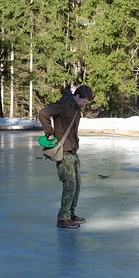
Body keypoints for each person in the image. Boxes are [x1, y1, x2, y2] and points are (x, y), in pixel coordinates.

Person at [37, 85, 94, 229]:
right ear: (77, 96)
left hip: (73, 151)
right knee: (70, 185)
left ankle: (71, 214)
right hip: (63, 152)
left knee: (77, 185)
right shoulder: (64, 105)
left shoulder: (76, 108)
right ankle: (63, 218)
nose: (84, 104)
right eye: (83, 101)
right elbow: (43, 113)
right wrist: (50, 133)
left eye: (86, 102)